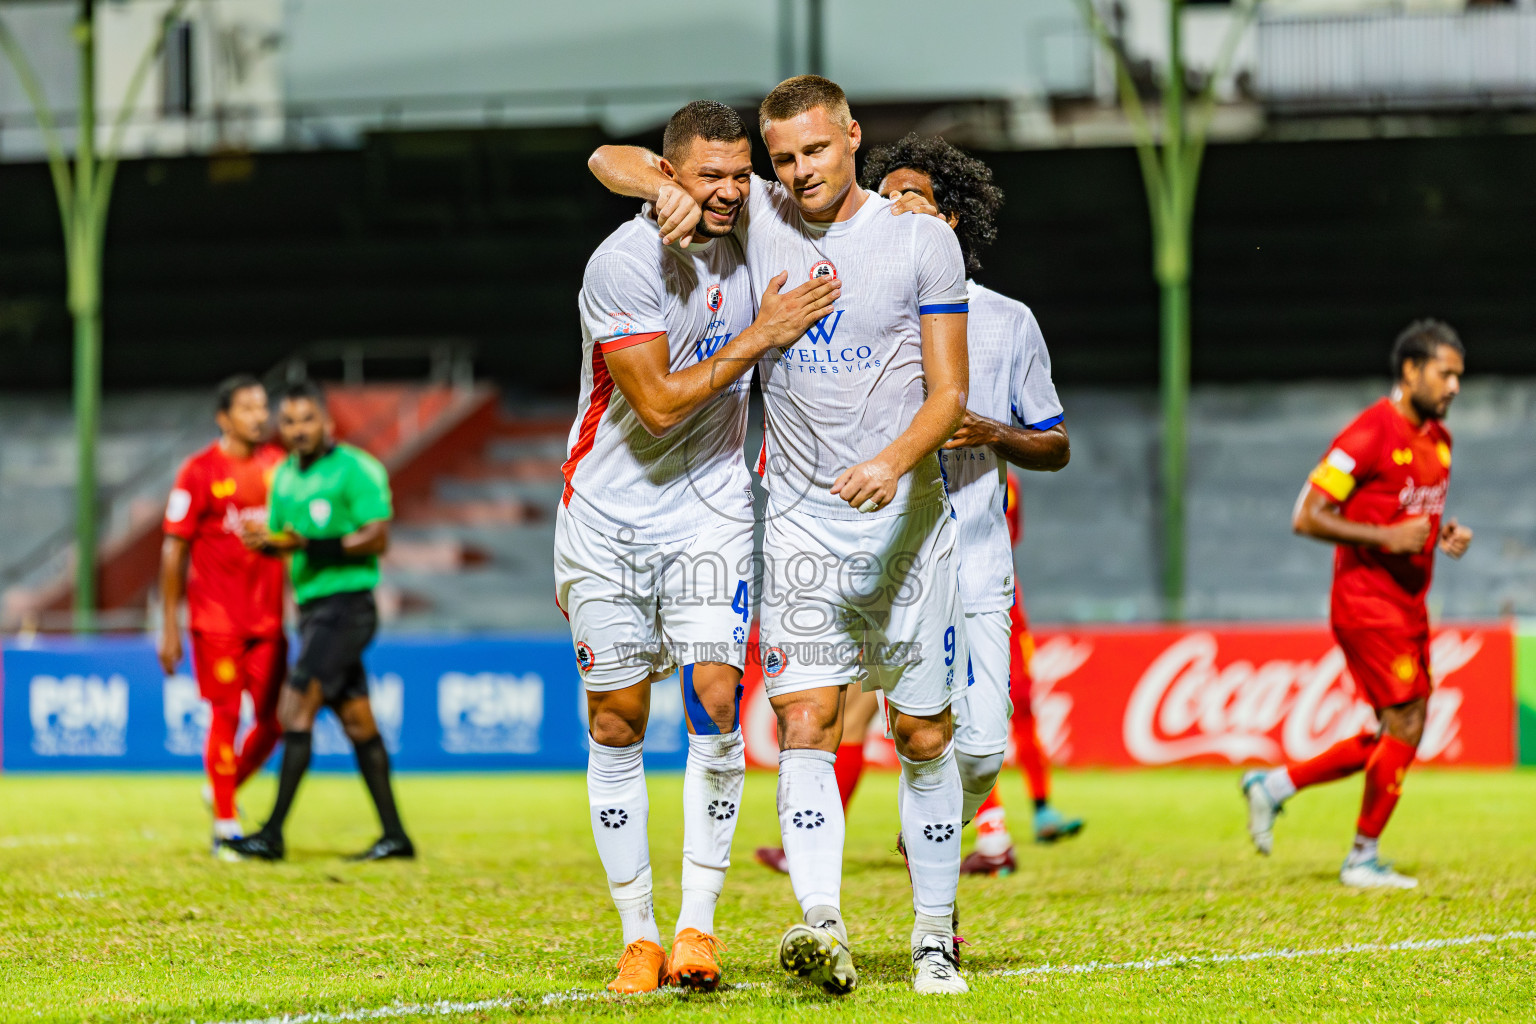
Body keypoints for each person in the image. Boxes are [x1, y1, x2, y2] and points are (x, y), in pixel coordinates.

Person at [590, 75, 974, 996]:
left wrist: (890, 461)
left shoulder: (919, 243)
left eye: (816, 151)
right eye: (784, 157)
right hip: (797, 517)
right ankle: (823, 925)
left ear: (852, 136)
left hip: (907, 522)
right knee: (805, 722)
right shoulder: (755, 211)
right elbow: (608, 159)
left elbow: (950, 392)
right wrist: (663, 188)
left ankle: (931, 939)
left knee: (923, 735)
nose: (800, 171)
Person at [559, 100, 840, 995]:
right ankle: (637, 934)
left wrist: (909, 210)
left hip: (713, 508)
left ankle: (696, 928)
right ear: (673, 174)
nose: (728, 191)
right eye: (705, 175)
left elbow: (831, 193)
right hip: (605, 514)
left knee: (717, 699)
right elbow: (661, 404)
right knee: (617, 722)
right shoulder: (621, 264)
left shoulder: (756, 215)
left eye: (737, 172)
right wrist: (761, 334)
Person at [751, 136, 1084, 879]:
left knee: (984, 749)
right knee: (909, 727)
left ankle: (929, 829)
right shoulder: (857, 300)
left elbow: (1056, 442)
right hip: (893, 555)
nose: (894, 206)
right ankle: (934, 900)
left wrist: (994, 432)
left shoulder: (1008, 321)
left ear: (951, 221)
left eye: (913, 197)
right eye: (887, 194)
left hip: (979, 560)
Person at [1242, 320, 1472, 889]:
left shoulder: (1439, 441)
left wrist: (1441, 534)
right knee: (1408, 717)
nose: (1454, 387)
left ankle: (1275, 786)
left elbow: (1407, 510)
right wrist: (1388, 540)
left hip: (1409, 604)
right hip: (1366, 602)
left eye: (1458, 377)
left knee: (1398, 727)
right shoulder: (1370, 432)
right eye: (1445, 374)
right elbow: (1308, 514)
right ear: (1412, 370)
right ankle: (1361, 858)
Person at [224, 379, 414, 863]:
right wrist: (267, 543)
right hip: (312, 613)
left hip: (347, 607)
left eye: (307, 419)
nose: (298, 429)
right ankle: (395, 837)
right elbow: (288, 540)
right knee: (358, 721)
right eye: (288, 421)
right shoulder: (284, 478)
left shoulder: (356, 469)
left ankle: (271, 833)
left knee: (294, 710)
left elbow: (376, 538)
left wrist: (307, 544)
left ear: (327, 422)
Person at [158, 374, 288, 858]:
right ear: (224, 417)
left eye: (262, 406)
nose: (260, 415)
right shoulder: (198, 471)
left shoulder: (278, 467)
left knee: (275, 722)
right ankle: (227, 827)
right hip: (217, 620)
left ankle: (222, 787)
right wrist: (169, 625)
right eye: (249, 408)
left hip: (269, 620)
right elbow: (174, 550)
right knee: (226, 715)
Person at [961, 472, 1084, 875]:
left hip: (1006, 602)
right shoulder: (935, 467)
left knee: (1023, 704)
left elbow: (1010, 538)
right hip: (957, 602)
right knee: (969, 715)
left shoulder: (1008, 479)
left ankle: (1041, 809)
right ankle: (990, 826)